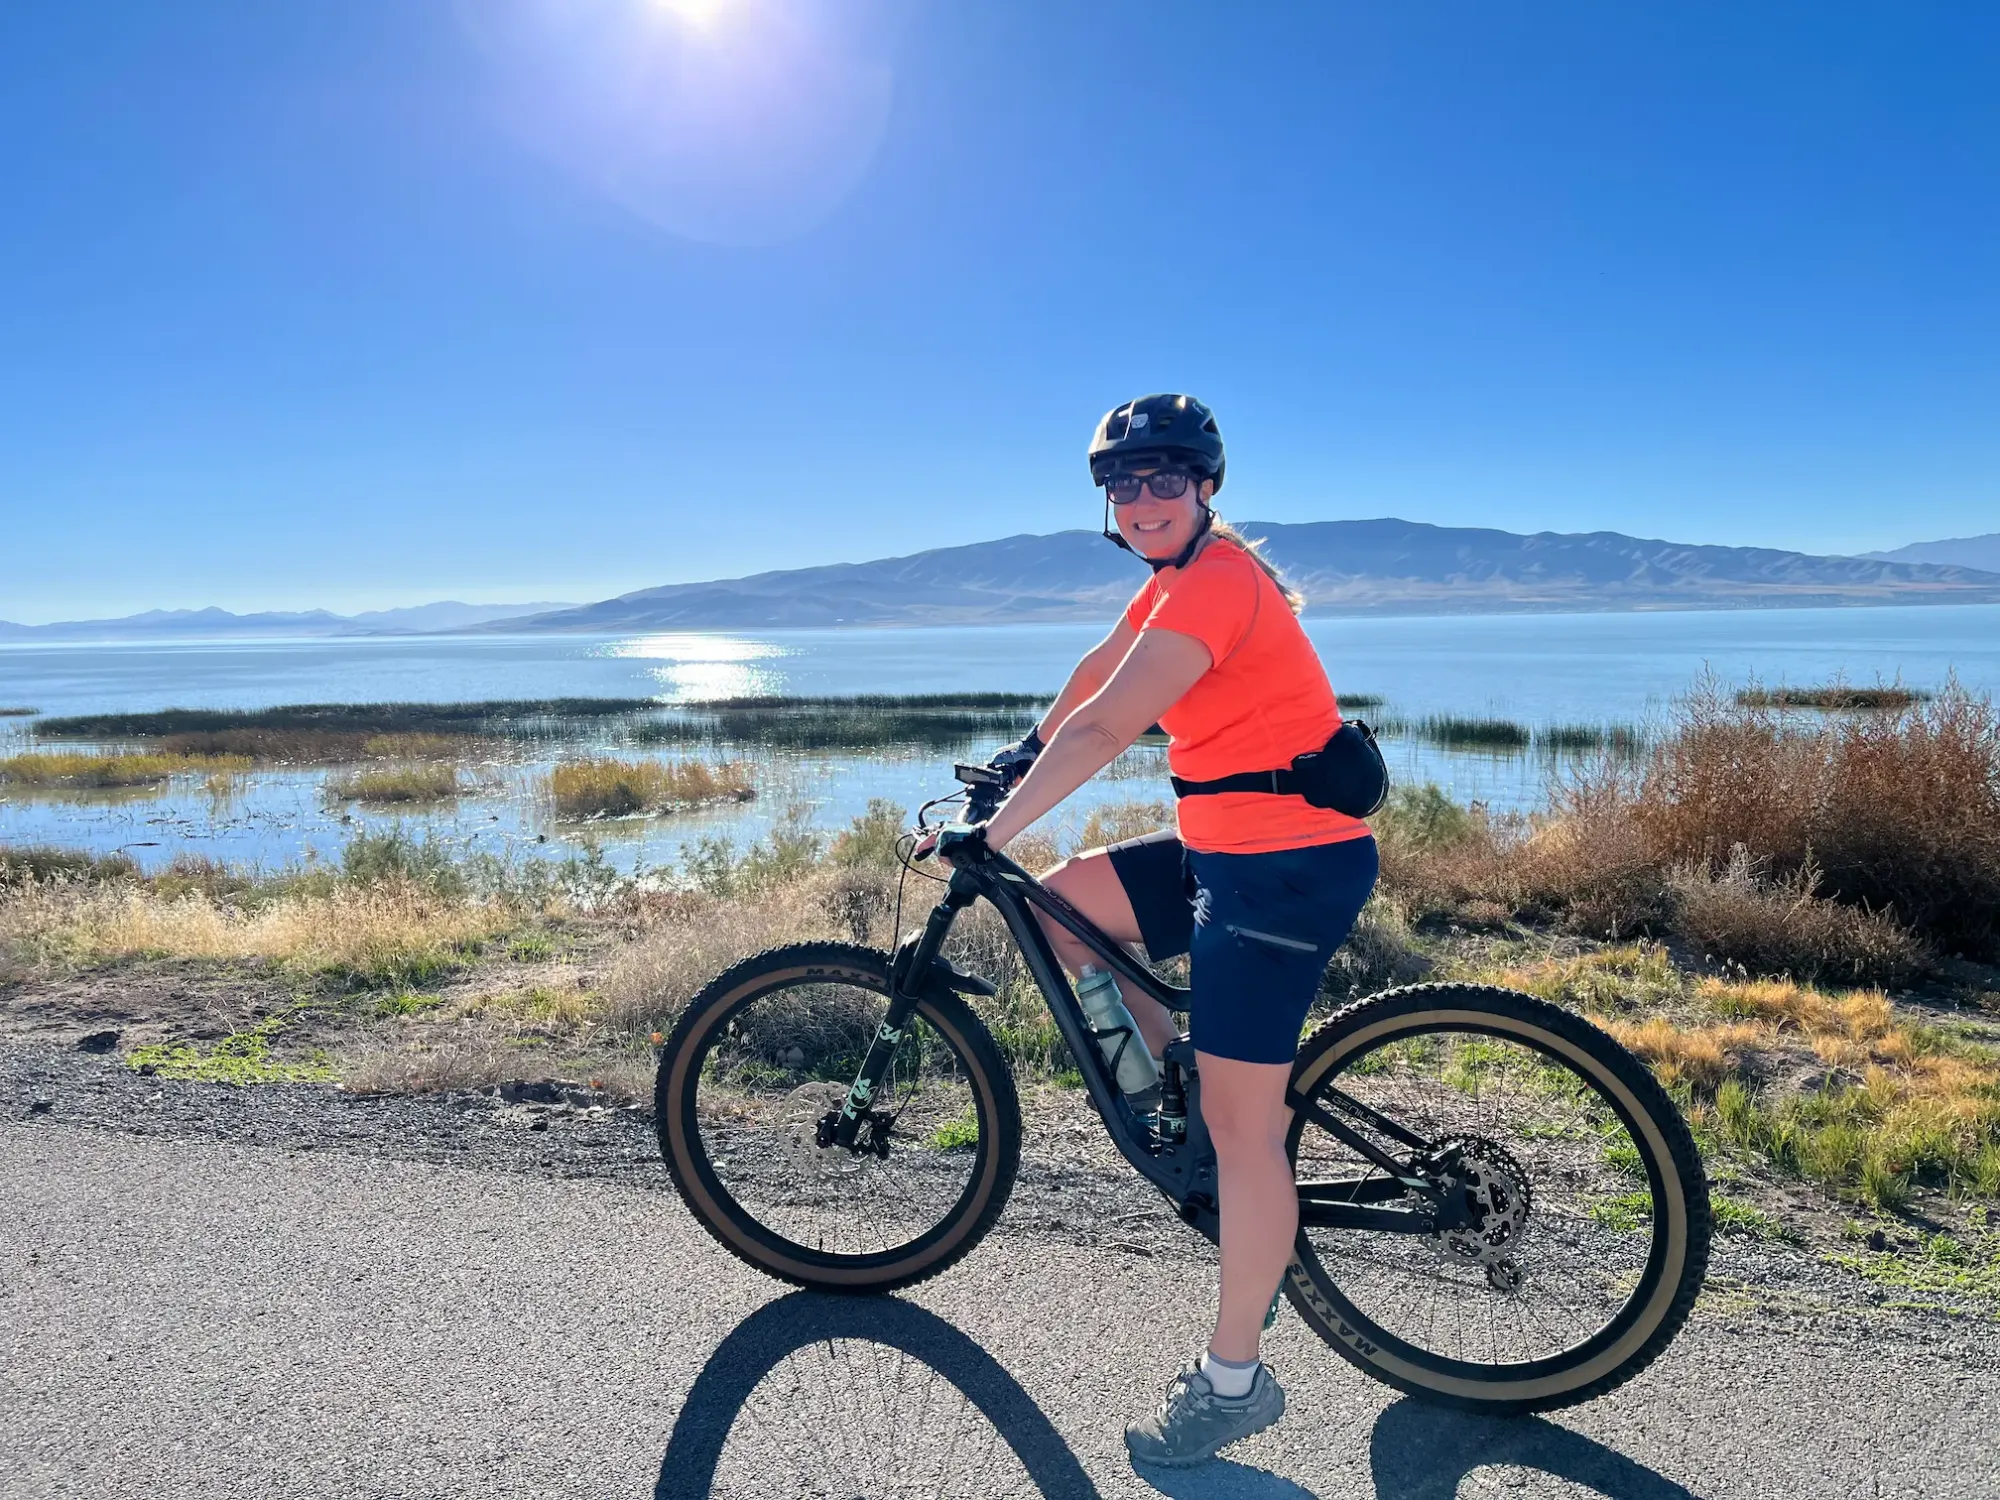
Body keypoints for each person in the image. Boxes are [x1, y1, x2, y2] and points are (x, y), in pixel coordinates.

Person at [958, 394, 1379, 1466]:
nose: (1142, 499)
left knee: (1246, 1135)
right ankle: (1177, 1072)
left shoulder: (1222, 581)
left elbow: (1111, 724)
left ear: (1204, 487)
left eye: (1164, 480)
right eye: (1122, 485)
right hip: (1229, 850)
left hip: (1280, 872)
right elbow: (1094, 678)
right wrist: (1017, 750)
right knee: (1074, 907)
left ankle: (1232, 1379)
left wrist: (990, 830)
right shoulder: (1172, 582)